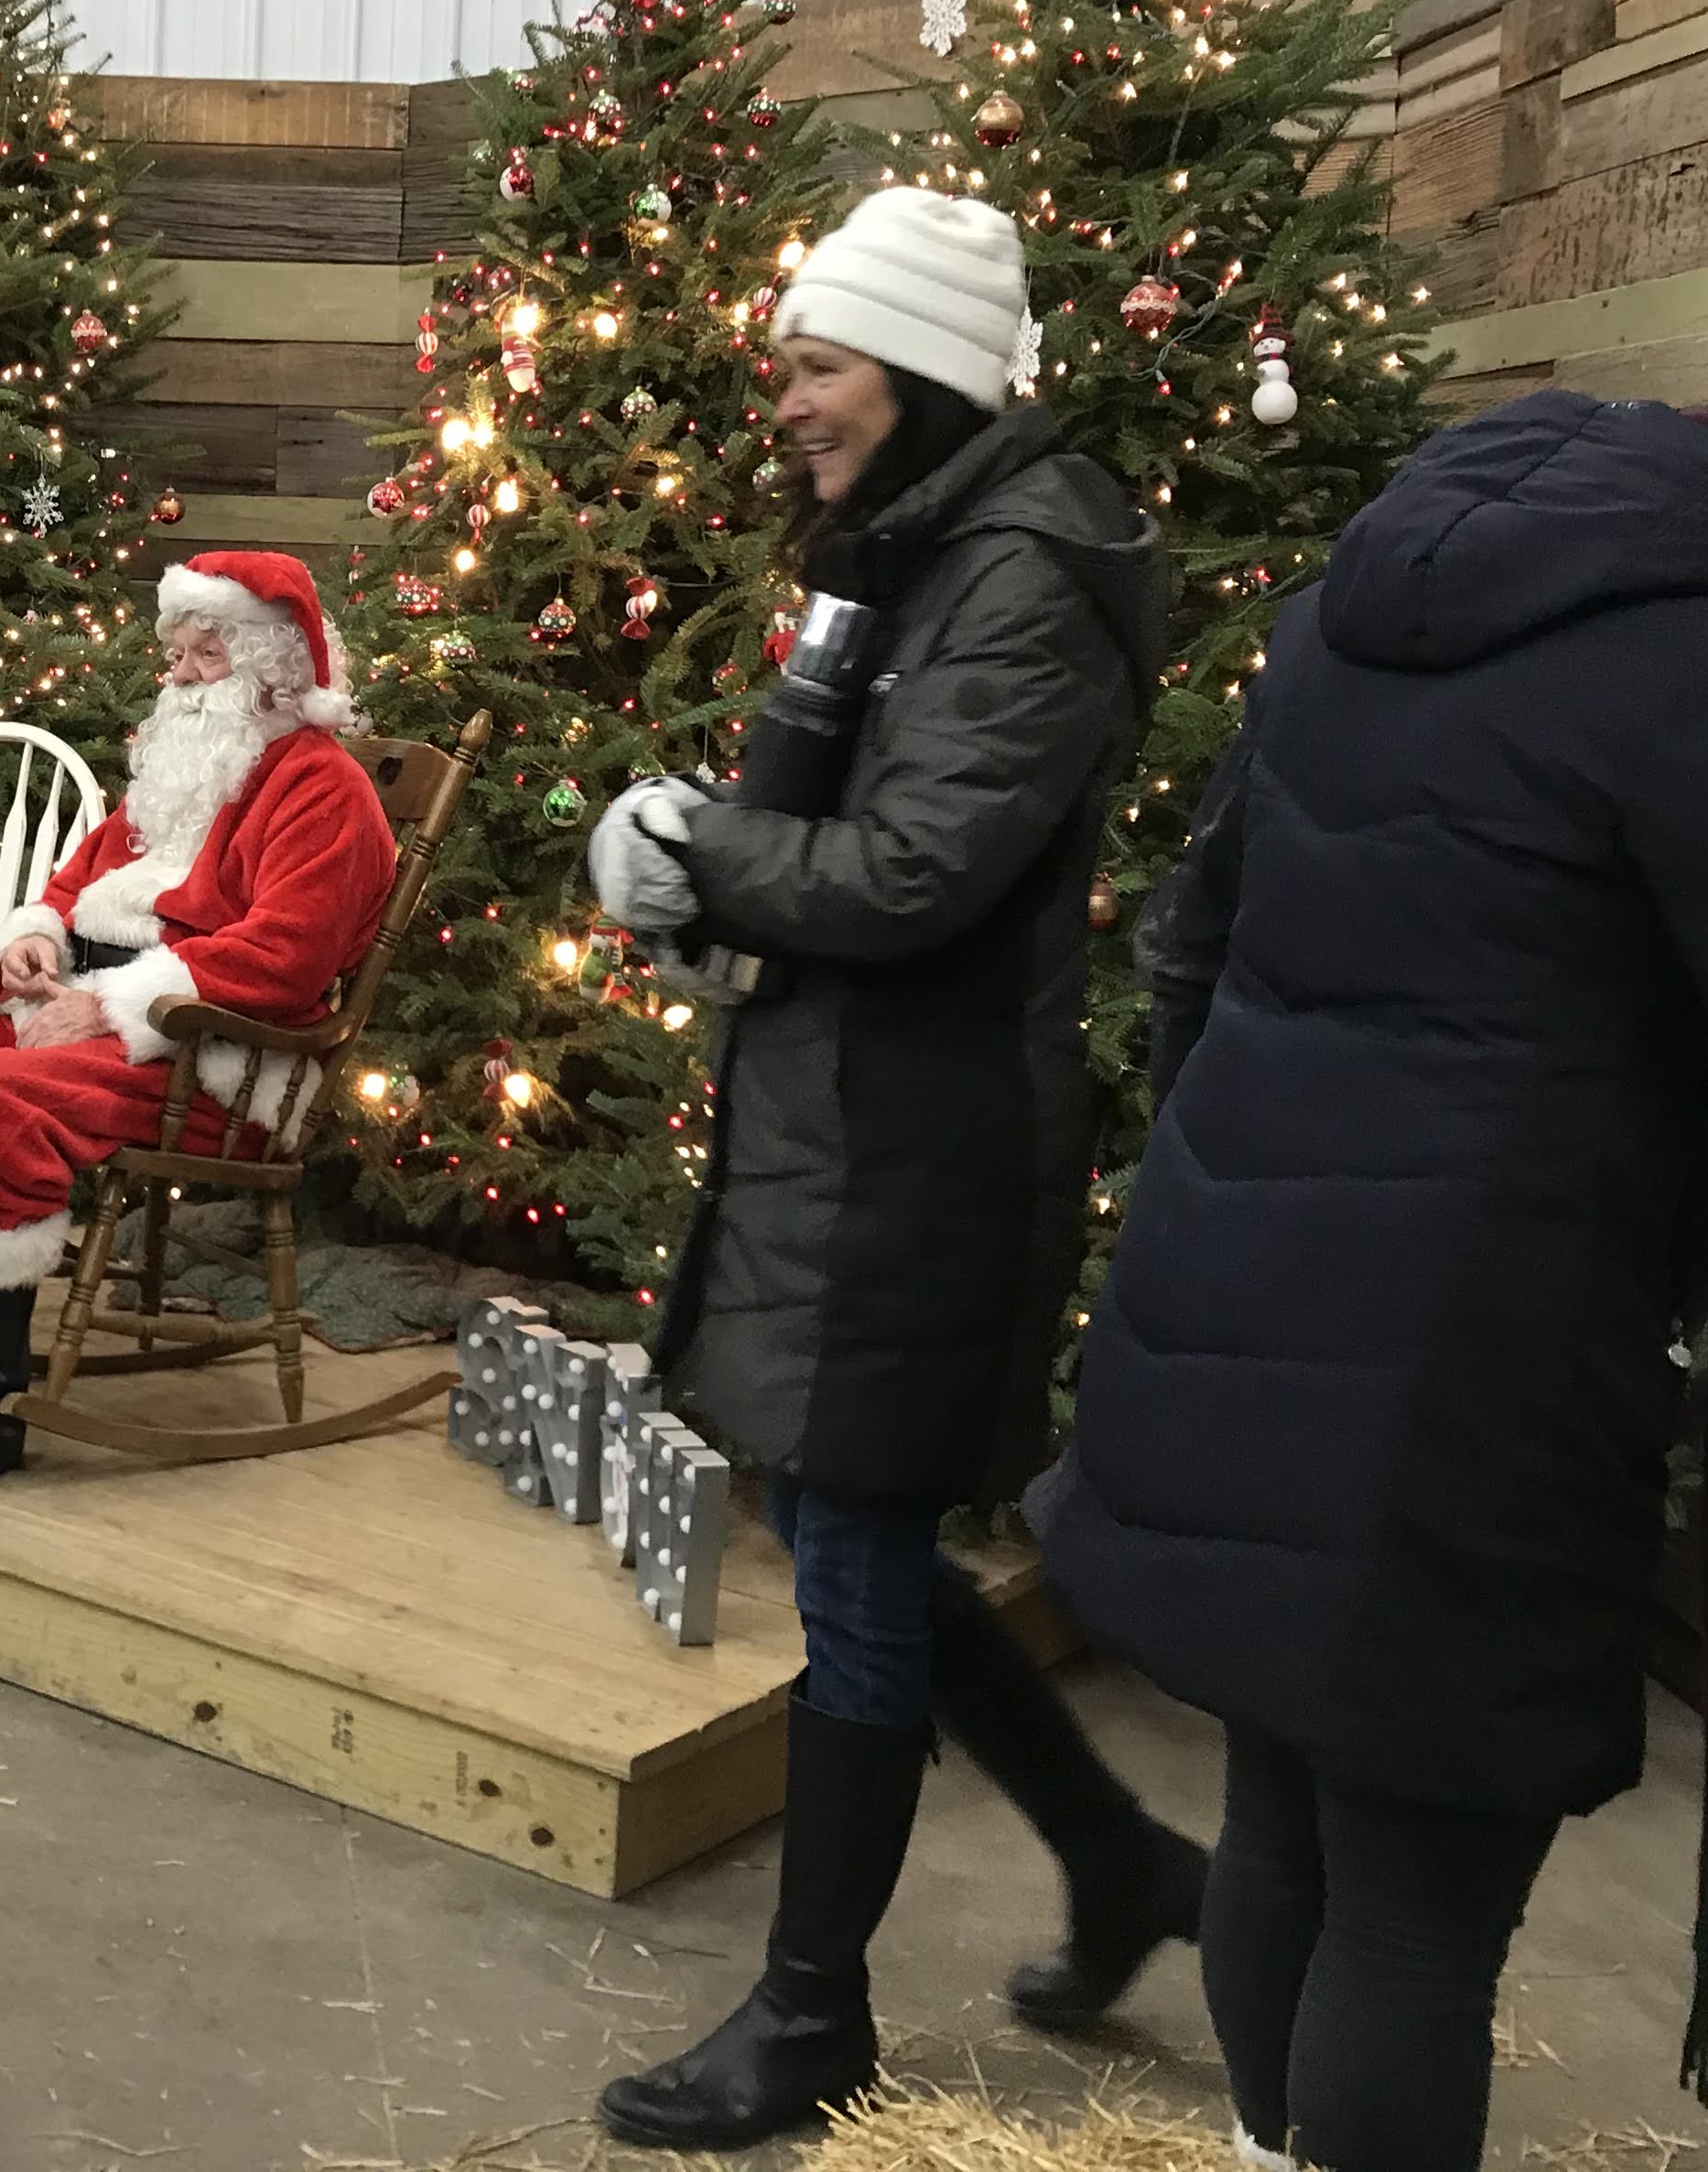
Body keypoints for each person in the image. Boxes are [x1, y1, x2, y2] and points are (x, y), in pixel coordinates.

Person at [1038, 344, 1708, 2172]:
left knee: (1289, 1819)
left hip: (1243, 1281)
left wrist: (1242, 1190)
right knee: (1422, 1908)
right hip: (1478, 1355)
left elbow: (1200, 931)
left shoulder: (1372, 583)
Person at [586, 187, 1199, 2151]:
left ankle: (810, 2015)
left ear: (921, 375)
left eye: (818, 365)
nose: (786, 401)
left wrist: (701, 849)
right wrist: (697, 873)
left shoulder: (1023, 573)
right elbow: (813, 822)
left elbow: (924, 873)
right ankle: (1124, 1865)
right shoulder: (910, 556)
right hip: (846, 1113)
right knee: (860, 1534)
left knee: (849, 1563)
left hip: (920, 1143)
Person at [0, 551, 400, 1502]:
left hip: (210, 1054)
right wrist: (33, 942)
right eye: (176, 655)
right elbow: (73, 887)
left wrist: (107, 1005)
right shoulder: (176, 782)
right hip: (79, 1018)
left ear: (273, 670)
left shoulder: (324, 791)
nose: (178, 678)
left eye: (203, 657)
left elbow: (287, 957)